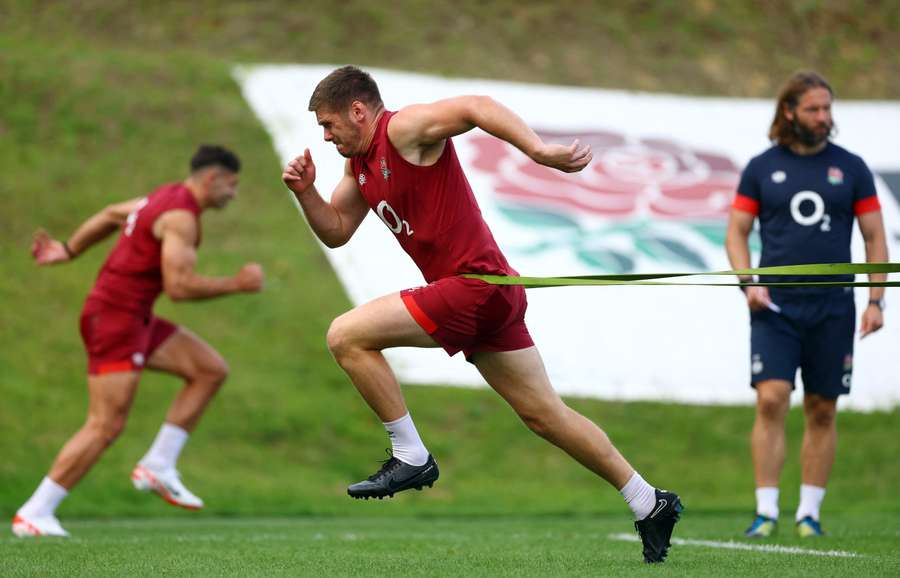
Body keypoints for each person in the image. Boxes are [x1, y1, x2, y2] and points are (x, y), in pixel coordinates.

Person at [281, 65, 682, 563]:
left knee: (346, 335)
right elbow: (338, 228)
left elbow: (475, 107)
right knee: (544, 416)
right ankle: (649, 502)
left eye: (329, 124)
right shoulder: (358, 167)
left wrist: (538, 152)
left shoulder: (402, 130)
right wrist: (305, 193)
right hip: (490, 294)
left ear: (358, 111)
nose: (325, 136)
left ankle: (411, 455)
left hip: (475, 286)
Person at [12, 145, 264, 538]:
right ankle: (35, 512)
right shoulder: (181, 217)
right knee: (105, 424)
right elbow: (178, 287)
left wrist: (68, 249)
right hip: (115, 320)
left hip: (131, 317)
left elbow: (111, 213)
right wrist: (237, 283)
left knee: (209, 370)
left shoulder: (163, 197)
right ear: (212, 179)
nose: (233, 194)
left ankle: (159, 464)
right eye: (231, 185)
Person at [726, 71, 888, 538]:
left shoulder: (852, 168)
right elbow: (736, 233)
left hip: (833, 307)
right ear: (789, 112)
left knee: (823, 408)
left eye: (828, 109)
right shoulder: (761, 167)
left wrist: (876, 301)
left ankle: (809, 514)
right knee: (772, 399)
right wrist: (747, 283)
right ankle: (766, 511)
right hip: (774, 308)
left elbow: (875, 237)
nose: (824, 118)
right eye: (814, 109)